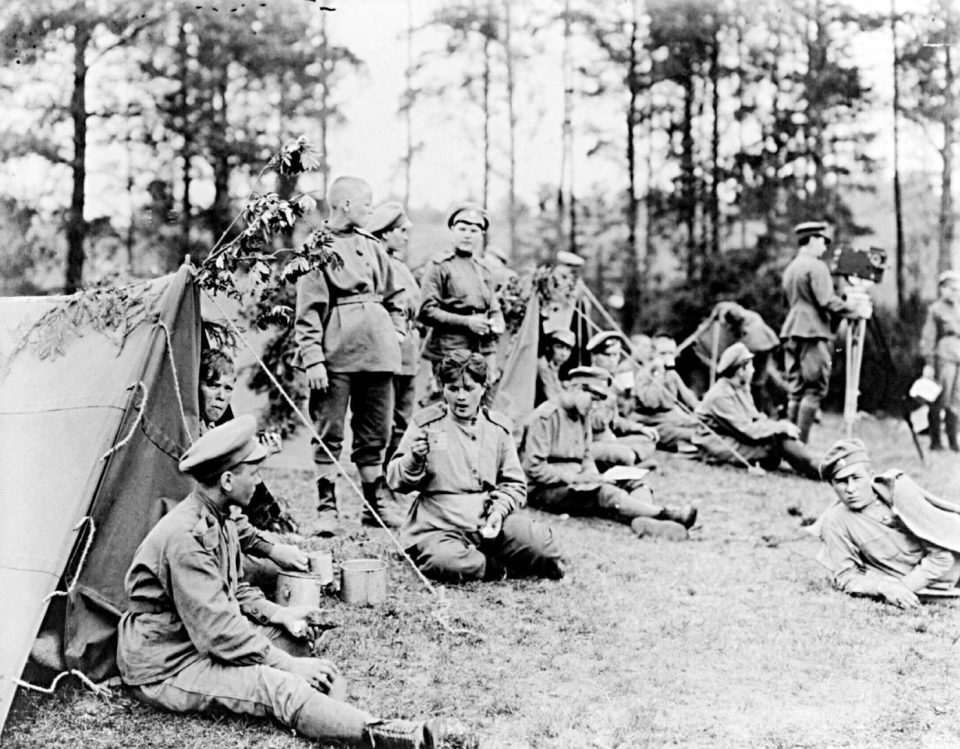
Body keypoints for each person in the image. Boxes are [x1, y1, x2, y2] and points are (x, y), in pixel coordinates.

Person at [117, 416, 473, 748]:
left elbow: (232, 589)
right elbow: (218, 633)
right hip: (168, 663)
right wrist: (286, 665)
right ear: (227, 481)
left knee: (295, 641)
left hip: (192, 641)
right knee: (278, 684)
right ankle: (401, 735)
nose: (258, 481)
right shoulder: (188, 538)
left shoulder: (220, 517)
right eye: (253, 473)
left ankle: (325, 711)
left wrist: (278, 614)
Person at [387, 350, 563, 582]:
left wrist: (499, 512)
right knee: (447, 561)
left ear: (483, 387)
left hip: (489, 522)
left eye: (469, 389)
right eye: (452, 388)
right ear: (442, 388)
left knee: (545, 543)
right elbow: (394, 479)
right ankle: (496, 568)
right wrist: (414, 458)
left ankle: (494, 557)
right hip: (439, 526)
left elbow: (514, 484)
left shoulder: (498, 428)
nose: (461, 397)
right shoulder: (426, 423)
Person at [294, 176, 405, 536]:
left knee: (376, 431)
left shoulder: (373, 247)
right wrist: (312, 358)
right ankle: (327, 509)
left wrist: (397, 330)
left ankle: (375, 507)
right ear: (344, 204)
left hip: (380, 356)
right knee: (330, 431)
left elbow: (396, 294)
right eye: (366, 202)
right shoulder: (317, 248)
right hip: (336, 357)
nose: (371, 209)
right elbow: (308, 311)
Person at [522, 366, 697, 540]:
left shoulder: (582, 415)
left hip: (577, 481)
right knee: (603, 492)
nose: (595, 406)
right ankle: (665, 514)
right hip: (545, 489)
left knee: (632, 480)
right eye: (593, 399)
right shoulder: (546, 417)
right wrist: (575, 478)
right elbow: (534, 468)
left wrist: (591, 473)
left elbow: (587, 454)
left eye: (599, 401)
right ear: (576, 389)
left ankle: (643, 518)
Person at [815, 438, 960, 609]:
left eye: (856, 478)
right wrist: (882, 587)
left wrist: (902, 589)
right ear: (832, 485)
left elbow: (943, 557)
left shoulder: (898, 491)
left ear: (870, 476)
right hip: (932, 588)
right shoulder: (835, 521)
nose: (850, 489)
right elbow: (845, 576)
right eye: (841, 481)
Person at [198, 349, 297, 533]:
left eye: (228, 388)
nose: (221, 396)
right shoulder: (191, 426)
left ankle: (271, 523)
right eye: (213, 386)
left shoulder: (211, 426)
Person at [366, 201, 421, 527]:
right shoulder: (375, 264)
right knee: (382, 426)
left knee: (402, 424)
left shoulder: (399, 265)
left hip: (408, 355)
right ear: (385, 233)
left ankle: (393, 487)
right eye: (401, 231)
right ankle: (376, 498)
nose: (405, 237)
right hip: (385, 354)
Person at [694, 342, 820, 479]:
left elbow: (755, 417)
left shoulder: (741, 386)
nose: (753, 370)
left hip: (735, 436)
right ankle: (819, 470)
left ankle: (817, 466)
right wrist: (780, 427)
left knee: (778, 439)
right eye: (750, 366)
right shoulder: (720, 395)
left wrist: (779, 427)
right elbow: (747, 429)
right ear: (740, 371)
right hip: (718, 444)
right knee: (775, 445)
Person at [780, 221, 855, 443]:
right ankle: (800, 447)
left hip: (792, 331)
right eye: (823, 241)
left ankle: (788, 445)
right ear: (812, 240)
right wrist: (853, 307)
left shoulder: (791, 267)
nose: (824, 247)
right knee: (813, 390)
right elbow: (825, 300)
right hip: (813, 332)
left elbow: (788, 302)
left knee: (796, 390)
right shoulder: (816, 266)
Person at [418, 203, 505, 388]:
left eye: (474, 230)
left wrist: (497, 321)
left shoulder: (484, 270)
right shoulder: (439, 266)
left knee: (481, 402)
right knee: (451, 401)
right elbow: (426, 311)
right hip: (450, 349)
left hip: (483, 348)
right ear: (452, 230)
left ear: (481, 235)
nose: (467, 235)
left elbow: (494, 306)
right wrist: (467, 322)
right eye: (462, 229)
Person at [586, 331, 658, 467]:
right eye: (608, 355)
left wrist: (640, 428)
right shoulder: (589, 382)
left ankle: (624, 463)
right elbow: (595, 423)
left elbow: (616, 421)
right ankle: (627, 464)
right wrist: (608, 397)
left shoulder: (608, 380)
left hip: (609, 439)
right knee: (625, 454)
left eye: (616, 354)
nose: (613, 360)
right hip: (592, 442)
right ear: (594, 356)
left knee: (647, 441)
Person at [631, 333, 701, 452]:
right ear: (653, 354)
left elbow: (688, 397)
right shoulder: (645, 374)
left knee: (700, 426)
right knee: (694, 434)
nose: (668, 357)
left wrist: (702, 413)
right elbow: (652, 402)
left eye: (671, 353)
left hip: (671, 417)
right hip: (652, 422)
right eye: (663, 353)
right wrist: (658, 373)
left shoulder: (671, 373)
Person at [920, 269, 960, 451]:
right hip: (944, 357)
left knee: (956, 401)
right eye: (951, 288)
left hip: (958, 357)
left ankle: (953, 440)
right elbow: (928, 338)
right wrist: (929, 363)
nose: (954, 292)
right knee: (940, 399)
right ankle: (936, 441)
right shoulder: (936, 309)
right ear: (942, 289)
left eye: (957, 289)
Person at [536, 328, 576, 404]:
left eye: (568, 349)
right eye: (559, 347)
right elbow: (553, 398)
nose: (564, 354)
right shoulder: (542, 365)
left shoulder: (553, 366)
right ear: (548, 346)